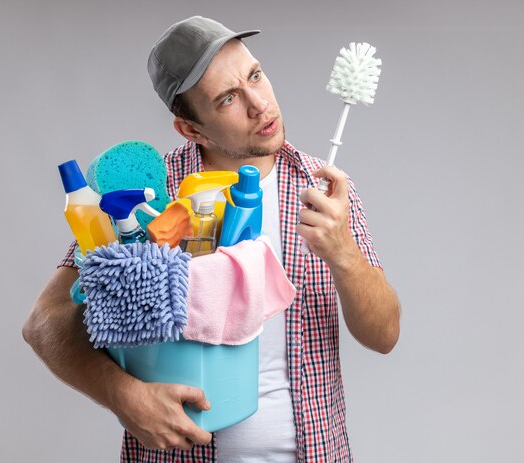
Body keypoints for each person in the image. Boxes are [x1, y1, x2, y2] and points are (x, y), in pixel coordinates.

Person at [23, 16, 400, 462]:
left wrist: (344, 254)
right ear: (192, 129)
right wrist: (123, 395)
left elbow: (384, 335)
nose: (259, 104)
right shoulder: (148, 196)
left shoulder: (325, 190)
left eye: (255, 76)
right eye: (227, 99)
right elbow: (44, 322)